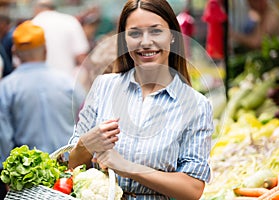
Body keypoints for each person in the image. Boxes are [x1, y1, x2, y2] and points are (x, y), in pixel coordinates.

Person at [68, 0, 214, 199]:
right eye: (135, 33)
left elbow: (192, 189)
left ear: (172, 36)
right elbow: (70, 166)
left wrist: (127, 168)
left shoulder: (195, 105)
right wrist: (85, 145)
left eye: (156, 31)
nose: (145, 42)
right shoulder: (103, 87)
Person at [0, 21, 86, 197]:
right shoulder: (68, 83)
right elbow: (85, 124)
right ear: (46, 50)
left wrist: (8, 176)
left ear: (14, 52)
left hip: (28, 181)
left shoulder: (6, 88)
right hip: (67, 178)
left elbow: (4, 138)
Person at [32, 0, 89, 77]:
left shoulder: (30, 25)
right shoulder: (70, 21)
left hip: (39, 80)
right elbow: (81, 56)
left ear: (36, 9)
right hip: (67, 79)